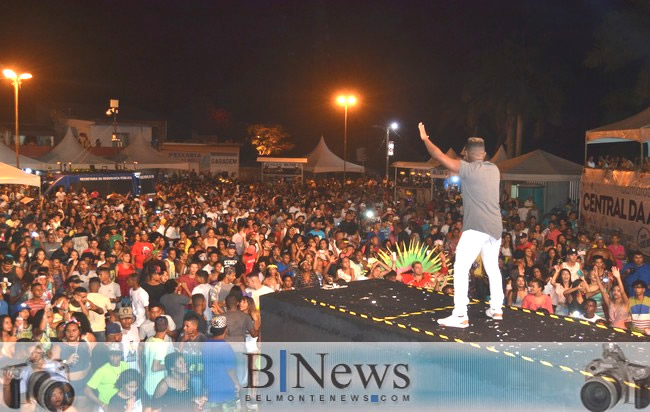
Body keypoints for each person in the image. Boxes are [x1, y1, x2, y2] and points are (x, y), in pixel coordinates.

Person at [419, 123, 504, 327]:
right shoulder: (494, 168)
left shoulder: (468, 169)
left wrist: (424, 139)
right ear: (484, 153)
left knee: (460, 267)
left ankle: (460, 315)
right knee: (492, 267)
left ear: (466, 153)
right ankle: (497, 309)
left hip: (476, 227)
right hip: (495, 227)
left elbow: (439, 155)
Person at [203, 315, 240, 412]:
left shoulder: (206, 344)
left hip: (211, 389)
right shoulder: (225, 347)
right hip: (226, 389)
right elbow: (230, 370)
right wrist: (237, 384)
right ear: (226, 329)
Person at [85, 342, 129, 411]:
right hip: (107, 407)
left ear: (121, 355)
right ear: (108, 355)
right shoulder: (102, 371)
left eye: (117, 354)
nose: (115, 357)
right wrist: (103, 405)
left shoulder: (125, 365)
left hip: (121, 405)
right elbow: (87, 390)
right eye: (112, 354)